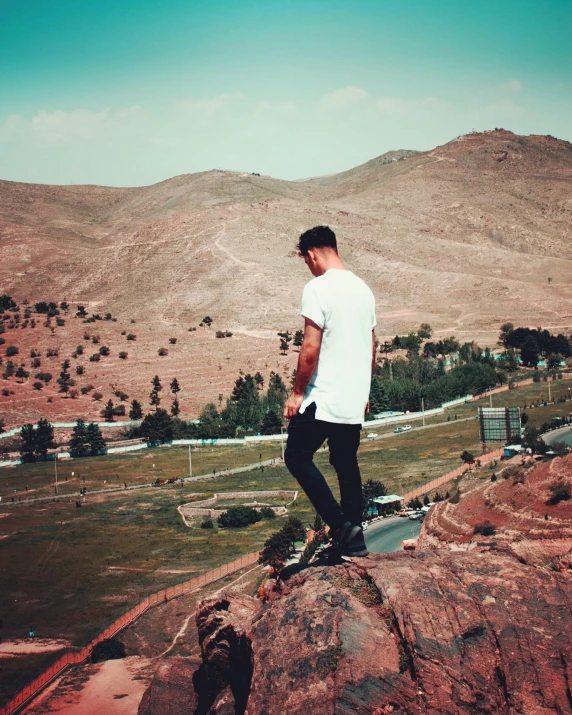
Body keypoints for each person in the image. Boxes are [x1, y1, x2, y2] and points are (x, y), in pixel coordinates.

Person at [283, 225, 376, 557]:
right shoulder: (364, 289)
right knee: (345, 462)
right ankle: (354, 537)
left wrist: (297, 393)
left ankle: (339, 526)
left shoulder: (317, 287)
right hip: (353, 397)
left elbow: (310, 346)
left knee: (296, 456)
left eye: (306, 261)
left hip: (323, 397)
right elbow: (371, 345)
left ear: (311, 254)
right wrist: (363, 391)